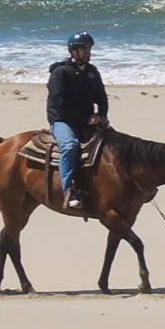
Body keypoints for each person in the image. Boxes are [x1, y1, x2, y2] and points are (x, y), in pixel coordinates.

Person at [45, 31, 109, 211]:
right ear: (73, 51)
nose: (87, 52)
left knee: (114, 143)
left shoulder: (92, 71)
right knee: (70, 145)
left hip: (87, 120)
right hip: (63, 120)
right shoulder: (60, 72)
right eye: (83, 49)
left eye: (89, 48)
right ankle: (68, 190)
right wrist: (86, 119)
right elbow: (61, 104)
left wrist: (102, 115)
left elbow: (101, 97)